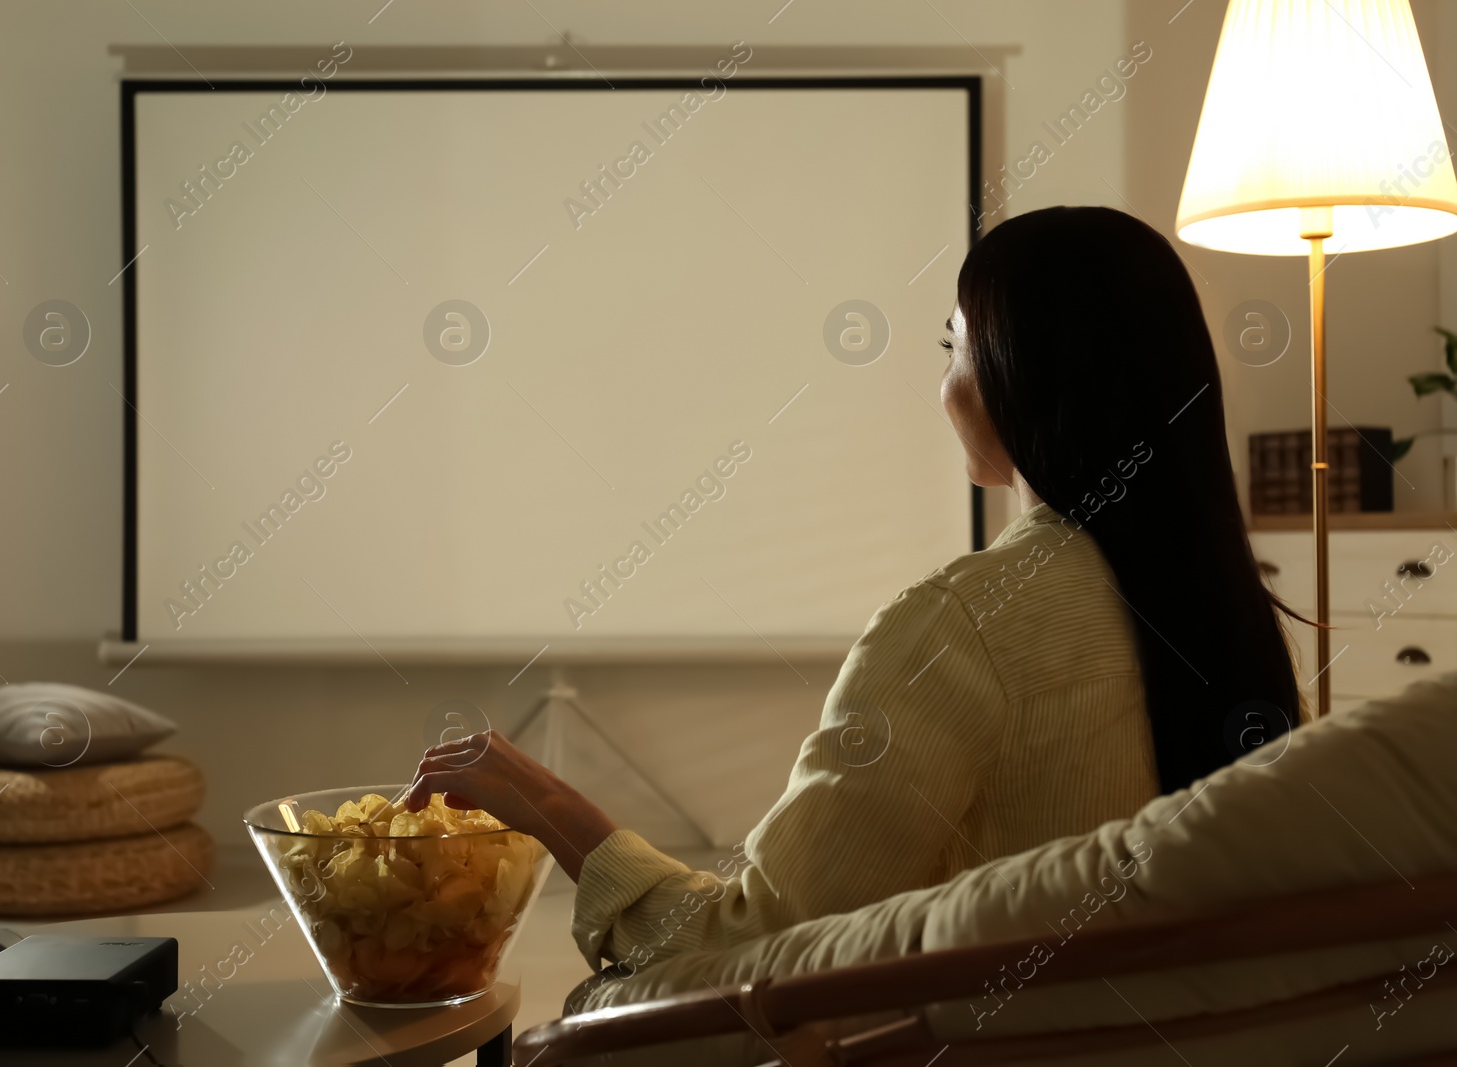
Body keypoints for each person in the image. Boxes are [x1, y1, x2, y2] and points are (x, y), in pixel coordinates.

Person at [405, 205, 1302, 982]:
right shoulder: (1230, 615)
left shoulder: (962, 626)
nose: (941, 385)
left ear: (1015, 378)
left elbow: (756, 945)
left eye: (955, 347)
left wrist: (559, 811)